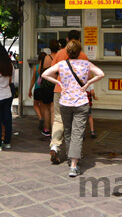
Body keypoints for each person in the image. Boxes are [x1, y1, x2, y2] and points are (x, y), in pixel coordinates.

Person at [42, 39, 104, 177]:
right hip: (81, 103)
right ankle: (74, 164)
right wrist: (87, 84)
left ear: (68, 51)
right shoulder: (86, 63)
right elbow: (101, 73)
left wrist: (58, 82)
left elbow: (44, 74)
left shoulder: (62, 64)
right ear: (79, 51)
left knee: (69, 132)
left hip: (64, 102)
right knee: (77, 134)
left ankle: (71, 158)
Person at [48, 30, 88, 164]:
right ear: (79, 41)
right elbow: (88, 77)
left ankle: (55, 145)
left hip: (60, 90)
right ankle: (74, 154)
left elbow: (52, 74)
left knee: (59, 119)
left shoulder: (59, 54)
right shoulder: (82, 55)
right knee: (75, 123)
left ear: (67, 39)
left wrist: (59, 81)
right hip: (77, 94)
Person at [38, 40, 60, 136]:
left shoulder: (45, 58)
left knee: (46, 109)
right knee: (53, 109)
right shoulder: (59, 58)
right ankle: (54, 132)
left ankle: (46, 129)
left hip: (45, 86)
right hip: (56, 85)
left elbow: (40, 71)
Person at [28, 52, 46, 131]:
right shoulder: (47, 67)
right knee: (42, 105)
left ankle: (40, 117)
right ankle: (44, 120)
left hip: (37, 88)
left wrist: (30, 89)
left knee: (35, 104)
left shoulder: (36, 67)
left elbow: (33, 79)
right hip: (44, 88)